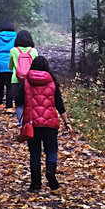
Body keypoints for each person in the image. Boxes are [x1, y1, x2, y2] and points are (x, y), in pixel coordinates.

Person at [15, 55, 71, 192]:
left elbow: (18, 101)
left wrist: (21, 120)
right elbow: (59, 103)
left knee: (35, 153)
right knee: (51, 150)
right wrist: (67, 122)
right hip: (50, 123)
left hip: (32, 123)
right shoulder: (52, 81)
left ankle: (35, 184)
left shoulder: (26, 81)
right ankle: (50, 172)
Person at [9, 30, 38, 123]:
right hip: (31, 81)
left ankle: (22, 125)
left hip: (16, 80)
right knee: (31, 103)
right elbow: (37, 66)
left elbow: (10, 66)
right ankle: (30, 124)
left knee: (18, 104)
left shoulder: (13, 51)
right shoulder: (33, 51)